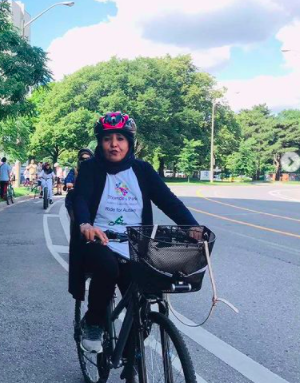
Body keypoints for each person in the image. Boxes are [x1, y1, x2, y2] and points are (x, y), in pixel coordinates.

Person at [71, 112, 199, 353]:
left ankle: (133, 341)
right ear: (100, 142)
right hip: (100, 239)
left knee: (146, 290)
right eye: (108, 138)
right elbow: (80, 199)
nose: (114, 144)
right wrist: (85, 224)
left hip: (136, 242)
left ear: (130, 142)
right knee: (108, 270)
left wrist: (190, 225)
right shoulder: (90, 168)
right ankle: (93, 322)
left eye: (120, 138)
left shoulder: (142, 170)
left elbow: (168, 201)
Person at [64, 148, 94, 218]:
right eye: (82, 159)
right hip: (77, 199)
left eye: (87, 159)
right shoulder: (74, 171)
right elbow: (68, 180)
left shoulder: (97, 170)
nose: (85, 161)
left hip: (93, 199)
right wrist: (69, 183)